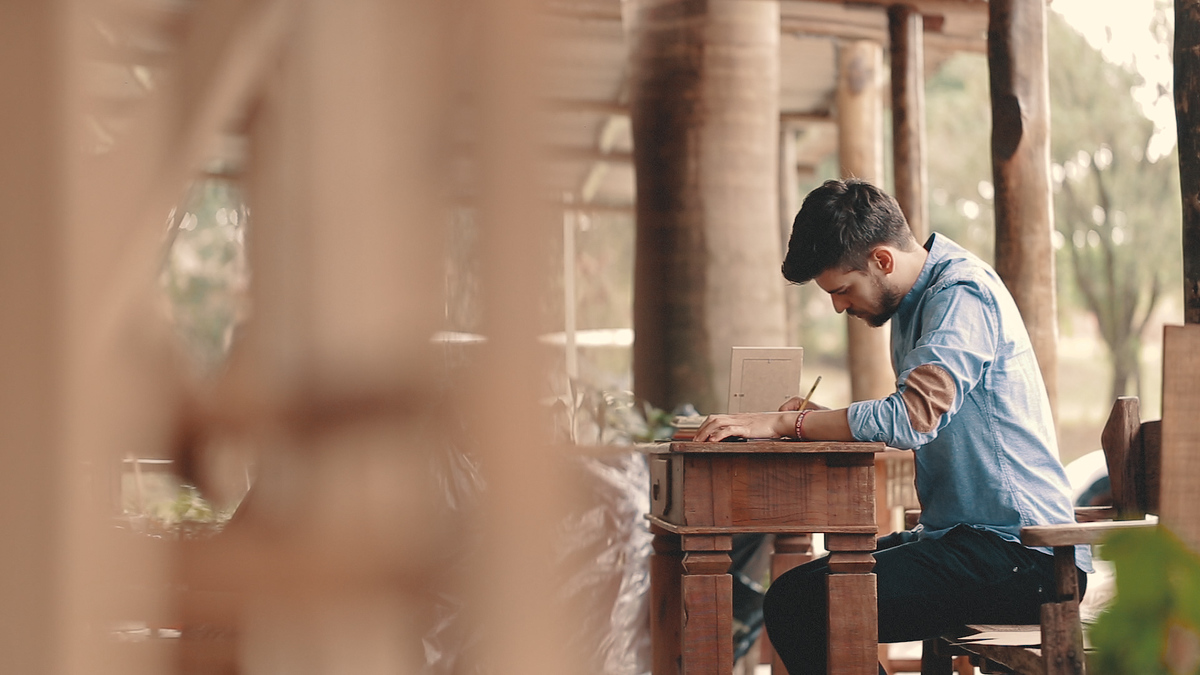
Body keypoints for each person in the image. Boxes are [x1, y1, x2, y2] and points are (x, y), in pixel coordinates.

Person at [693, 179, 1090, 675]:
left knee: (804, 607)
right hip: (964, 540)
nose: (839, 306)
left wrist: (785, 423)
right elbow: (917, 416)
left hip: (1025, 557)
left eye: (841, 289)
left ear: (882, 261)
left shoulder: (961, 294)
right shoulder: (911, 305)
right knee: (794, 597)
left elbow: (912, 417)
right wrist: (813, 419)